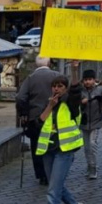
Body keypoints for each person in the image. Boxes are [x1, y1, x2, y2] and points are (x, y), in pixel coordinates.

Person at [34, 61, 84, 204]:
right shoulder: (48, 103)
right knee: (55, 186)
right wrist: (49, 106)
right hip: (48, 151)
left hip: (64, 150)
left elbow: (76, 91)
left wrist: (75, 70)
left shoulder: (70, 102)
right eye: (54, 86)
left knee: (53, 191)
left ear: (65, 88)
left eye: (60, 86)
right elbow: (38, 123)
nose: (57, 88)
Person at [17, 56, 61, 185]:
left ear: (36, 65)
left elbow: (20, 97)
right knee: (53, 143)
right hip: (54, 115)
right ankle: (53, 172)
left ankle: (42, 175)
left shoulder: (31, 78)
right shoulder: (57, 76)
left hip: (35, 116)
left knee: (37, 146)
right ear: (49, 63)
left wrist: (23, 112)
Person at [79, 69, 102, 180]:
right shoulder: (81, 90)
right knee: (86, 148)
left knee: (92, 145)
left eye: (89, 79)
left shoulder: (100, 89)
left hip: (96, 121)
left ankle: (93, 168)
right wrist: (81, 102)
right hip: (84, 122)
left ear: (94, 80)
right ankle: (89, 166)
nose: (87, 82)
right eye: (85, 80)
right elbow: (75, 101)